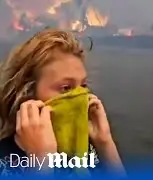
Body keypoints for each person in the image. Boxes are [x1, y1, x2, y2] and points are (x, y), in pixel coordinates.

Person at [0, 29, 125, 177]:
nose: (80, 96)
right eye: (66, 88)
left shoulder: (87, 148)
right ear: (28, 95)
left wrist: (105, 144)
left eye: (83, 86)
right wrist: (41, 160)